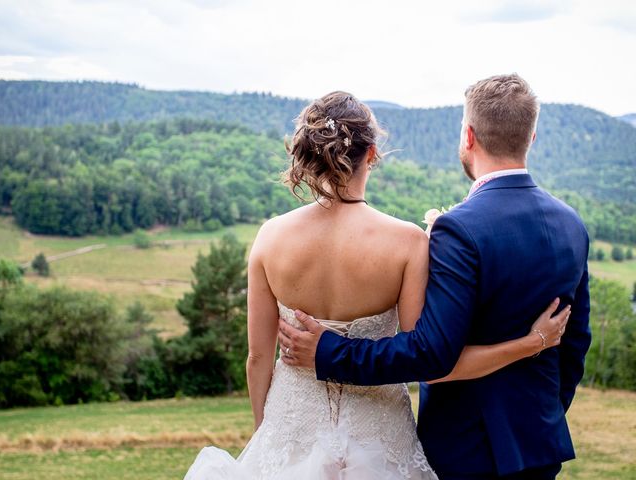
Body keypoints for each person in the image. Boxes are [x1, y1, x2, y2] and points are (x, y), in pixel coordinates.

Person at [183, 90, 570, 480]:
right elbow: (426, 357)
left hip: (290, 425)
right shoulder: (407, 242)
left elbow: (258, 358)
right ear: (371, 155)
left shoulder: (270, 237)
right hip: (379, 435)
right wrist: (530, 344)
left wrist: (265, 435)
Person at [279, 76, 592, 480]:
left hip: (466, 448)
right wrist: (542, 415)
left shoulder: (460, 229)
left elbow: (430, 354)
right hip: (539, 446)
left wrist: (329, 352)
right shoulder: (572, 224)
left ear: (469, 136)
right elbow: (575, 343)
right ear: (531, 137)